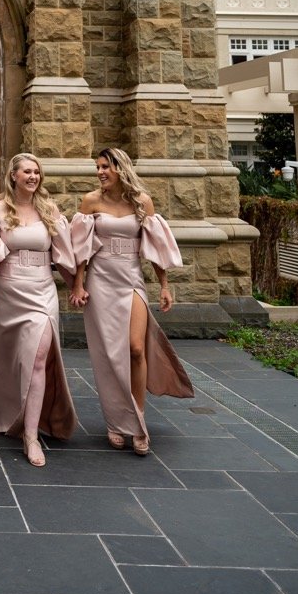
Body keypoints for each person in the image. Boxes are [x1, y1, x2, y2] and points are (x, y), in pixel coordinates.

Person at [69, 147, 194, 454]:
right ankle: (115, 422)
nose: (100, 172)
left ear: (119, 168)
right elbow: (81, 248)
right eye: (97, 167)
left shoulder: (142, 202)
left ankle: (137, 420)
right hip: (100, 281)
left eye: (105, 167)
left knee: (136, 349)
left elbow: (155, 246)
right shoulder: (90, 201)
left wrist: (164, 286)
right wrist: (78, 284)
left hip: (131, 280)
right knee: (109, 354)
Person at [0, 153, 78, 466]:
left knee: (36, 359)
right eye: (27, 172)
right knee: (6, 359)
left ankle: (31, 435)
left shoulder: (49, 209)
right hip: (7, 291)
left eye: (37, 172)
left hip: (42, 292)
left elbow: (63, 255)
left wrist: (77, 286)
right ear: (14, 176)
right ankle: (1, 413)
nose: (33, 176)